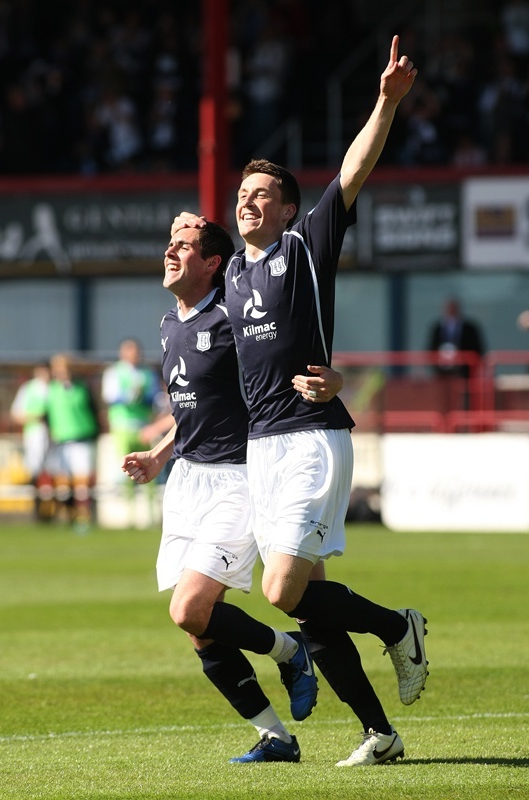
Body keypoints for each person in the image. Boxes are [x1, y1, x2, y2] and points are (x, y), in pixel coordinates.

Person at [172, 36, 428, 767]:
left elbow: (351, 171)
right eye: (241, 196)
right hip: (261, 451)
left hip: (312, 435)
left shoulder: (305, 246)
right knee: (309, 607)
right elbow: (209, 366)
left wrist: (384, 101)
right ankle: (379, 734)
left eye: (261, 196)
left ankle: (397, 627)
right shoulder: (229, 285)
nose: (247, 203)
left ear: (286, 208)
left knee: (282, 588)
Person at [121, 220, 344, 764]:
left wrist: (333, 381)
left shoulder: (231, 319)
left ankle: (290, 652)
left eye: (184, 245)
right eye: (169, 243)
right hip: (187, 483)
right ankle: (276, 738)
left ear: (212, 264)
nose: (170, 251)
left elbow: (281, 362)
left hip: (239, 478)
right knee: (200, 630)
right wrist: (159, 454)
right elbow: (192, 410)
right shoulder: (169, 324)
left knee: (189, 609)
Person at [102, 338, 163, 520]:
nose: (133, 355)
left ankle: (151, 515)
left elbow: (154, 397)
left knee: (149, 467)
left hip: (143, 425)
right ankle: (130, 515)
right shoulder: (114, 372)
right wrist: (129, 396)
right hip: (122, 425)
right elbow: (110, 396)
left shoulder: (147, 373)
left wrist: (144, 398)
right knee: (127, 470)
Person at [45, 353, 99, 531]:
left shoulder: (82, 388)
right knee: (62, 482)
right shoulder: (51, 390)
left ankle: (83, 517)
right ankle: (64, 515)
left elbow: (93, 412)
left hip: (82, 439)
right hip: (60, 441)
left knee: (81, 482)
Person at [10, 362, 53, 521]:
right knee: (35, 470)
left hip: (56, 435)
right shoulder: (29, 389)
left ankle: (53, 509)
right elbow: (16, 413)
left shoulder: (55, 388)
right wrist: (35, 417)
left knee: (54, 472)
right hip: (35, 434)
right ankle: (38, 511)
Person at [427, 296, 485, 377]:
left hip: (464, 371)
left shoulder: (470, 328)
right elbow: (431, 349)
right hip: (442, 371)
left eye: (453, 307)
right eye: (449, 307)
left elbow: (478, 349)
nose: (451, 310)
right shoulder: (437, 328)